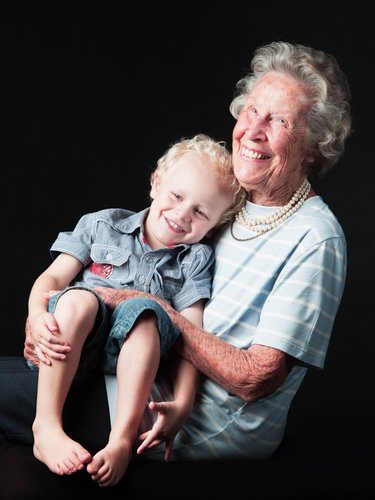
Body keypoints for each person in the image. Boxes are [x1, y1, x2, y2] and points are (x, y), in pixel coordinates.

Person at [0, 40, 351, 486]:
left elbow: (256, 380)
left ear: (314, 146)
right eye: (252, 111)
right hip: (136, 372)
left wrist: (142, 306)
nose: (254, 130)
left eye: (280, 121)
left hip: (199, 419)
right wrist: (50, 325)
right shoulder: (234, 200)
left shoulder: (315, 237)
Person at [23, 133, 245, 487]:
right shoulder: (101, 225)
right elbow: (50, 279)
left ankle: (121, 441)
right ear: (157, 183)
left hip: (133, 361)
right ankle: (46, 425)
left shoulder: (195, 259)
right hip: (70, 344)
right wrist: (36, 316)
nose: (182, 214)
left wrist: (184, 401)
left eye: (200, 212)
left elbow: (193, 337)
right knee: (78, 297)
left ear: (214, 224)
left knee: (145, 313)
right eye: (176, 196)